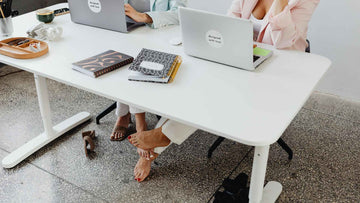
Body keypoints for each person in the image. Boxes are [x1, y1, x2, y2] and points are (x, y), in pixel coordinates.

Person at [129, 0, 320, 182]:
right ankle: (160, 138)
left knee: (216, 94)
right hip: (243, 61)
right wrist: (233, 45)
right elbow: (227, 23)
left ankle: (161, 137)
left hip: (279, 72)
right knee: (197, 84)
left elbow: (283, 42)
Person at [111, 0, 187, 142]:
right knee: (121, 55)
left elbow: (179, 14)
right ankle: (126, 114)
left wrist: (145, 17)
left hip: (158, 38)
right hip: (126, 31)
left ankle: (130, 116)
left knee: (134, 60)